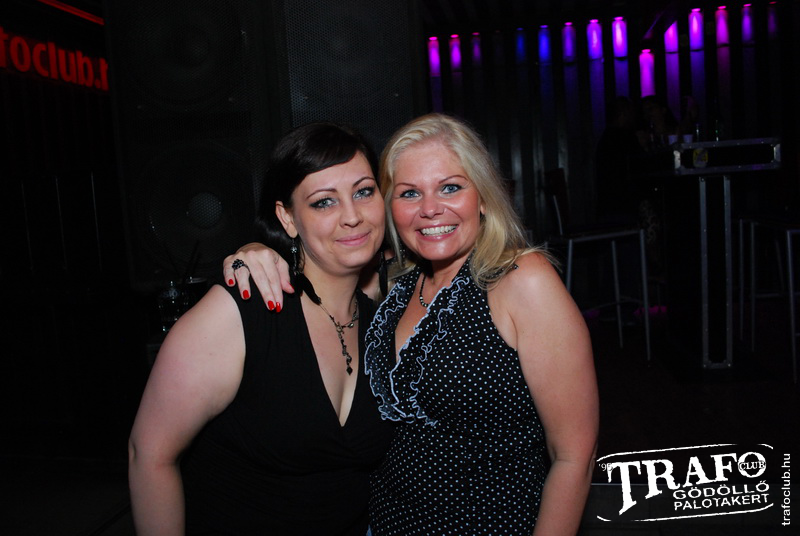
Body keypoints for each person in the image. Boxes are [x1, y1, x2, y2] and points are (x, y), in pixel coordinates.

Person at [226, 113, 599, 535]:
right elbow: (318, 268)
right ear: (390, 208)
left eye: (451, 187)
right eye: (409, 193)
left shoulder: (520, 280)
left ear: (482, 197)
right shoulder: (391, 284)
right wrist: (257, 249)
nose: (430, 209)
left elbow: (575, 456)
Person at [128, 122, 394, 535]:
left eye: (363, 192)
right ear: (287, 218)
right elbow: (149, 455)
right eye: (324, 202)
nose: (352, 216)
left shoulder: (383, 319)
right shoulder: (242, 309)